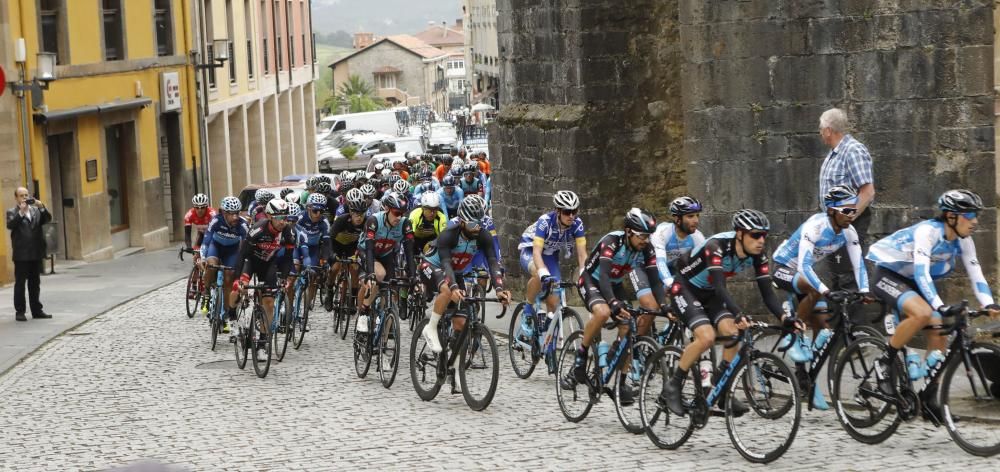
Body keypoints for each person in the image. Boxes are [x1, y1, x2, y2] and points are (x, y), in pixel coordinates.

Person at [866, 189, 999, 420]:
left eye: (976, 215)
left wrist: (989, 304)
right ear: (951, 217)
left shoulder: (964, 241)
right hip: (890, 275)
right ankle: (884, 363)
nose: (975, 221)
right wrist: (939, 305)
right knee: (923, 313)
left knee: (939, 333)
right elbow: (921, 274)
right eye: (969, 215)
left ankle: (928, 399)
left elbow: (976, 274)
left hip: (914, 283)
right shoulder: (928, 232)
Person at [659, 209, 800, 416]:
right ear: (740, 234)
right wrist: (738, 312)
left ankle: (722, 389)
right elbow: (719, 286)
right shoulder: (715, 247)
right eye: (755, 235)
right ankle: (673, 386)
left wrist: (785, 318)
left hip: (710, 293)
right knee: (706, 337)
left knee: (733, 332)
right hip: (686, 289)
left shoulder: (758, 255)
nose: (761, 240)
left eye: (764, 235)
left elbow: (768, 294)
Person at [771, 185, 870, 409]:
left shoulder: (848, 232)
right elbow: (804, 266)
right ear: (832, 210)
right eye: (846, 210)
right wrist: (825, 290)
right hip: (783, 267)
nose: (851, 215)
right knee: (815, 292)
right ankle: (792, 336)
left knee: (823, 327)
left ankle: (807, 379)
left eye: (853, 209)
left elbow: (859, 263)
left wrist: (864, 290)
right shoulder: (815, 226)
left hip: (805, 275)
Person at [571, 208, 670, 406]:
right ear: (628, 231)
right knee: (603, 311)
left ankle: (621, 382)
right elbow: (605, 275)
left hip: (614, 285)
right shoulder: (612, 242)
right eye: (642, 235)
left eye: (648, 236)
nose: (645, 240)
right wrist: (613, 303)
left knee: (629, 326)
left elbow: (655, 281)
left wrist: (665, 306)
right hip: (592, 281)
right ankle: (580, 356)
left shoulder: (646, 249)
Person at [419, 195, 511, 355]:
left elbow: (492, 262)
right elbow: (446, 263)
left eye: (480, 223)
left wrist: (499, 289)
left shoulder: (483, 236)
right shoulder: (449, 235)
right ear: (461, 221)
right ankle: (431, 328)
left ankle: (451, 362)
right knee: (447, 291)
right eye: (472, 223)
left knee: (461, 323)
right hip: (432, 265)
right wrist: (453, 287)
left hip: (455, 272)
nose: (477, 227)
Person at [817, 108, 875, 294]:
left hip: (849, 221)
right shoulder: (835, 154)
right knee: (837, 274)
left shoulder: (852, 151)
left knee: (848, 275)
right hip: (834, 222)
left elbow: (867, 192)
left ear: (828, 129)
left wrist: (846, 220)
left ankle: (853, 322)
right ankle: (842, 322)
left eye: (821, 128)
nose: (820, 132)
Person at [516, 191, 587, 336]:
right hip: (530, 250)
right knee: (538, 274)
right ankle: (528, 310)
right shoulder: (545, 221)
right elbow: (536, 252)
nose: (571, 216)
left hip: (549, 255)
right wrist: (543, 274)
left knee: (554, 299)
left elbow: (582, 254)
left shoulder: (577, 224)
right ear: (558, 211)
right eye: (567, 212)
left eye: (575, 211)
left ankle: (549, 340)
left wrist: (584, 275)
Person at [234, 199, 297, 357]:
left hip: (268, 264)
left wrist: (283, 278)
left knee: (269, 302)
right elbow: (242, 254)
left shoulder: (288, 232)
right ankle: (235, 318)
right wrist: (238, 279)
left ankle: (262, 343)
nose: (283, 221)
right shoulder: (258, 229)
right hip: (251, 261)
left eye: (285, 217)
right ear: (269, 216)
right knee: (240, 288)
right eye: (279, 218)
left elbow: (288, 258)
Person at [355, 192, 416, 333]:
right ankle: (363, 311)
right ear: (387, 209)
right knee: (379, 275)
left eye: (402, 213)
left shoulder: (405, 224)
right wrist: (370, 273)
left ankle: (382, 338)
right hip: (367, 252)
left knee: (390, 293)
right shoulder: (374, 221)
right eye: (396, 213)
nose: (399, 217)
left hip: (386, 255)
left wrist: (413, 275)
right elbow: (369, 249)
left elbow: (409, 252)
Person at [198, 196, 250, 331]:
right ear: (223, 213)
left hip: (232, 251)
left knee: (229, 277)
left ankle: (225, 313)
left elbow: (247, 248)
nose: (235, 217)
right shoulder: (216, 220)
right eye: (231, 214)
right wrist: (203, 257)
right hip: (216, 247)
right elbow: (206, 241)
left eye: (237, 213)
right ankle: (207, 292)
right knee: (210, 265)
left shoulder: (243, 225)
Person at [6, 187, 52, 321]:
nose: (24, 198)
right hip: (21, 255)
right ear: (16, 198)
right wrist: (21, 212)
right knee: (20, 284)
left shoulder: (36, 211)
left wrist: (41, 206)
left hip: (36, 252)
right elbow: (10, 225)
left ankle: (37, 310)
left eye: (26, 195)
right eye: (21, 196)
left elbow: (47, 219)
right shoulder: (12, 212)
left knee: (35, 283)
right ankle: (20, 312)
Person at [325, 188, 368, 311]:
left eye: (362, 214)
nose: (359, 217)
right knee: (335, 267)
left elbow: (365, 242)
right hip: (337, 244)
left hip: (352, 246)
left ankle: (352, 300)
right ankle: (329, 292)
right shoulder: (342, 219)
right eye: (356, 214)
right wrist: (331, 253)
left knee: (354, 269)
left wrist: (358, 255)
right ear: (350, 212)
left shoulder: (366, 222)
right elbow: (329, 238)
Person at [295, 193, 332, 310]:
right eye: (315, 210)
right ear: (309, 208)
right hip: (299, 246)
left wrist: (325, 259)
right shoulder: (300, 217)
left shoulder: (324, 221)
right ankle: (291, 293)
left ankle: (308, 302)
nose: (318, 214)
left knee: (313, 274)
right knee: (295, 268)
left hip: (313, 248)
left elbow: (327, 242)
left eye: (322, 211)